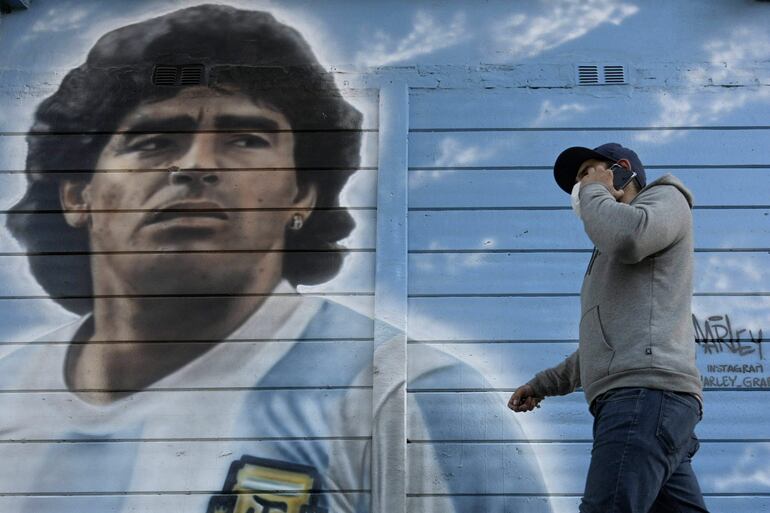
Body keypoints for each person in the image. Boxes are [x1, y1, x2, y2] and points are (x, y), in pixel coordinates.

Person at [1, 5, 549, 513]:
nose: (195, 165)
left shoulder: (408, 395)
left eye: (245, 139)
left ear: (303, 196)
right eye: (152, 140)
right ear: (77, 194)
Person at [508, 143, 709, 513]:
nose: (580, 185)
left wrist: (595, 192)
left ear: (620, 170)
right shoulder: (606, 250)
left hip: (644, 397)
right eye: (578, 181)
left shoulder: (665, 199)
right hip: (645, 403)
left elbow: (629, 237)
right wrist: (543, 384)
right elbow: (603, 345)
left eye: (587, 172)